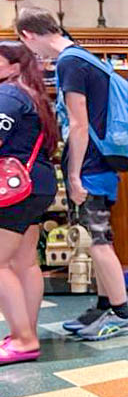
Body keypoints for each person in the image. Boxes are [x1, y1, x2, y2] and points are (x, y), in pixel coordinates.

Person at [16, 7, 128, 341]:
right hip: (101, 164)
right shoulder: (84, 57)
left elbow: (79, 124)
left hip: (90, 167)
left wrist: (73, 176)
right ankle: (104, 306)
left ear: (28, 35)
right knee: (97, 238)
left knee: (97, 241)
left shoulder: (69, 62)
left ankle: (123, 315)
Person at [0, 42, 58, 365]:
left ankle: (23, 339)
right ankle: (26, 333)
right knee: (25, 262)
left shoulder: (8, 94)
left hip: (13, 187)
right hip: (36, 184)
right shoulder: (33, 96)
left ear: (14, 66)